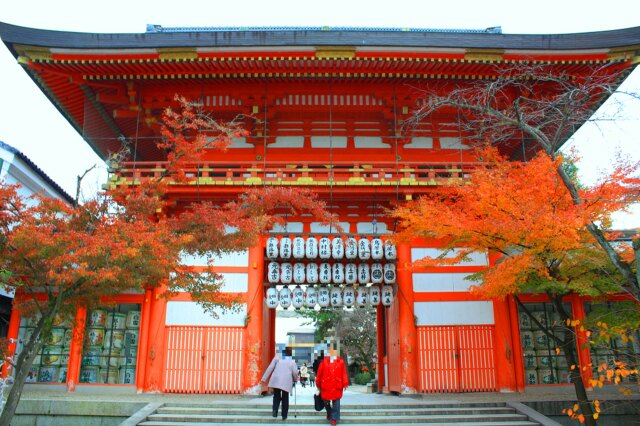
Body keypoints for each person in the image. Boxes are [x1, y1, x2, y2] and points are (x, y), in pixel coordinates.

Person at [261, 347, 298, 421]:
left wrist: (264, 378)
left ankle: (275, 410)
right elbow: (295, 372)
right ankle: (284, 415)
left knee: (276, 396)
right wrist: (295, 379)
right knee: (285, 398)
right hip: (286, 381)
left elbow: (270, 367)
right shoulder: (292, 361)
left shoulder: (277, 357)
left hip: (276, 380)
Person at [316, 340, 348, 426]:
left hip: (337, 384)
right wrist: (318, 384)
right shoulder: (323, 363)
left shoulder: (340, 362)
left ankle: (334, 418)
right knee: (326, 401)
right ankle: (329, 412)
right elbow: (319, 374)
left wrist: (345, 383)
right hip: (326, 384)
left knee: (336, 402)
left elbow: (343, 373)